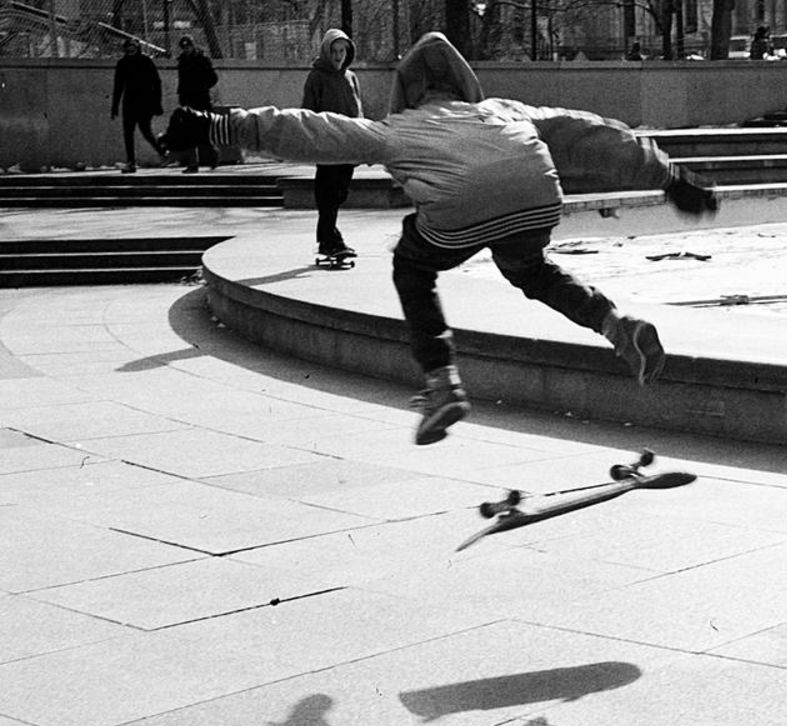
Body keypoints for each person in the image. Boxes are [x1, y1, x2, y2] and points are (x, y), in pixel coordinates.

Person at [158, 32, 718, 445]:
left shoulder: (395, 128)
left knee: (412, 265)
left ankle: (441, 382)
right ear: (464, 83)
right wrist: (669, 177)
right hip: (534, 196)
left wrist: (219, 124)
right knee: (530, 270)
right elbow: (589, 133)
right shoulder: (505, 110)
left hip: (456, 209)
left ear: (407, 91)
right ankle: (617, 325)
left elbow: (314, 130)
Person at [302, 28, 363, 259]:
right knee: (328, 193)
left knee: (340, 193)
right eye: (335, 51)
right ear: (327, 53)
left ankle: (329, 237)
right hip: (327, 146)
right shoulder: (317, 77)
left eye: (342, 51)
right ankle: (328, 239)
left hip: (347, 146)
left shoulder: (351, 77)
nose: (339, 56)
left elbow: (358, 110)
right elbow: (307, 112)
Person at [110, 38, 164, 173]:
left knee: (145, 130)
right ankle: (131, 162)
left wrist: (157, 103)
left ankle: (163, 151)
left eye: (133, 47)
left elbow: (156, 83)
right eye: (128, 47)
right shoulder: (122, 63)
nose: (130, 50)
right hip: (129, 102)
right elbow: (118, 85)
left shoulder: (145, 61)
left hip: (144, 102)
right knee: (128, 133)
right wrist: (115, 105)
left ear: (137, 48)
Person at [175, 34, 219, 173]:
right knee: (189, 133)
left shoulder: (202, 60)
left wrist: (201, 87)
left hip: (201, 100)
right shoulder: (182, 61)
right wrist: (181, 97)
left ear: (193, 46)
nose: (186, 49)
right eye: (184, 47)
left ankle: (212, 156)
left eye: (188, 46)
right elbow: (182, 80)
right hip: (188, 100)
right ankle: (193, 163)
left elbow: (213, 78)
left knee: (203, 132)